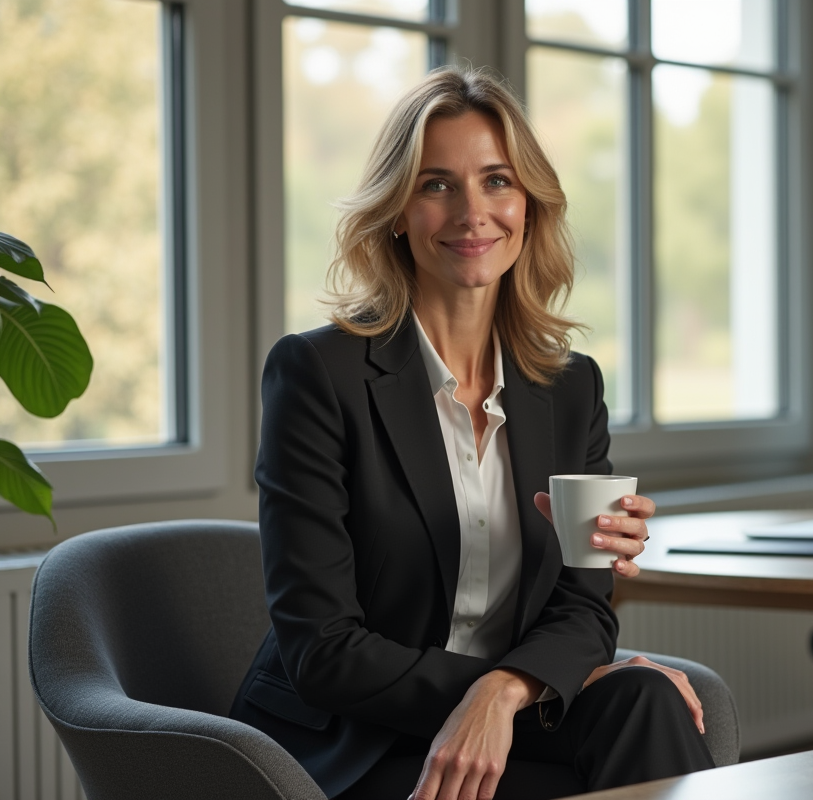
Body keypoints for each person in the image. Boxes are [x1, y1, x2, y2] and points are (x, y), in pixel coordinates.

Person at [230, 66, 715, 800]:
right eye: (436, 185)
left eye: (496, 181)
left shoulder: (569, 385)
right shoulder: (316, 374)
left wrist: (505, 693)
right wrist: (493, 691)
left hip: (508, 716)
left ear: (529, 206)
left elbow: (583, 605)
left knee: (645, 701)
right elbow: (322, 652)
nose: (472, 212)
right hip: (353, 741)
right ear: (396, 210)